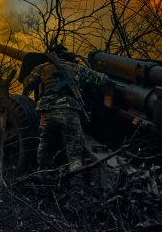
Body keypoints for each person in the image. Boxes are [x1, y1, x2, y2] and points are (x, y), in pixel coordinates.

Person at [22, 44, 108, 174]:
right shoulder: (76, 68)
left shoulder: (42, 68)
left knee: (45, 148)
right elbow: (101, 79)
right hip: (70, 111)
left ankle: (44, 179)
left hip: (48, 112)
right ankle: (76, 185)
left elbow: (27, 83)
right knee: (74, 156)